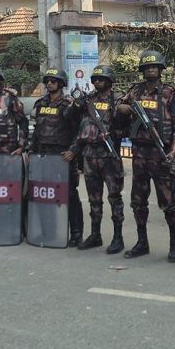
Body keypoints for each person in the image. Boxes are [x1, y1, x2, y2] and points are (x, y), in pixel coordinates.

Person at [116, 50, 175, 262]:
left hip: (161, 153)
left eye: (154, 66)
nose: (151, 69)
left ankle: (174, 245)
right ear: (142, 70)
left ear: (161, 69)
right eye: (147, 67)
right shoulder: (135, 91)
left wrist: (174, 151)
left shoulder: (169, 93)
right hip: (139, 154)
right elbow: (119, 105)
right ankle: (142, 242)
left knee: (169, 203)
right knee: (138, 201)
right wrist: (123, 108)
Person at [71, 65, 126, 254]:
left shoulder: (118, 99)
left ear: (110, 80)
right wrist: (75, 104)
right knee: (94, 199)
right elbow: (74, 120)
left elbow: (127, 127)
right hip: (89, 155)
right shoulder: (88, 99)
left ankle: (118, 238)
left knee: (114, 197)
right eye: (95, 79)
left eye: (101, 79)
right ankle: (95, 235)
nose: (97, 82)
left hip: (109, 155)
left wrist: (115, 132)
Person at [28, 67, 84, 246]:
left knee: (70, 195)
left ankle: (76, 234)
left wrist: (73, 151)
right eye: (47, 81)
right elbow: (37, 131)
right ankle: (48, 233)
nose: (50, 83)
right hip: (43, 156)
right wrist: (31, 150)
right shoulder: (40, 104)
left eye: (53, 81)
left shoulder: (69, 105)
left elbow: (80, 131)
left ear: (61, 83)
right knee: (46, 195)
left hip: (63, 157)